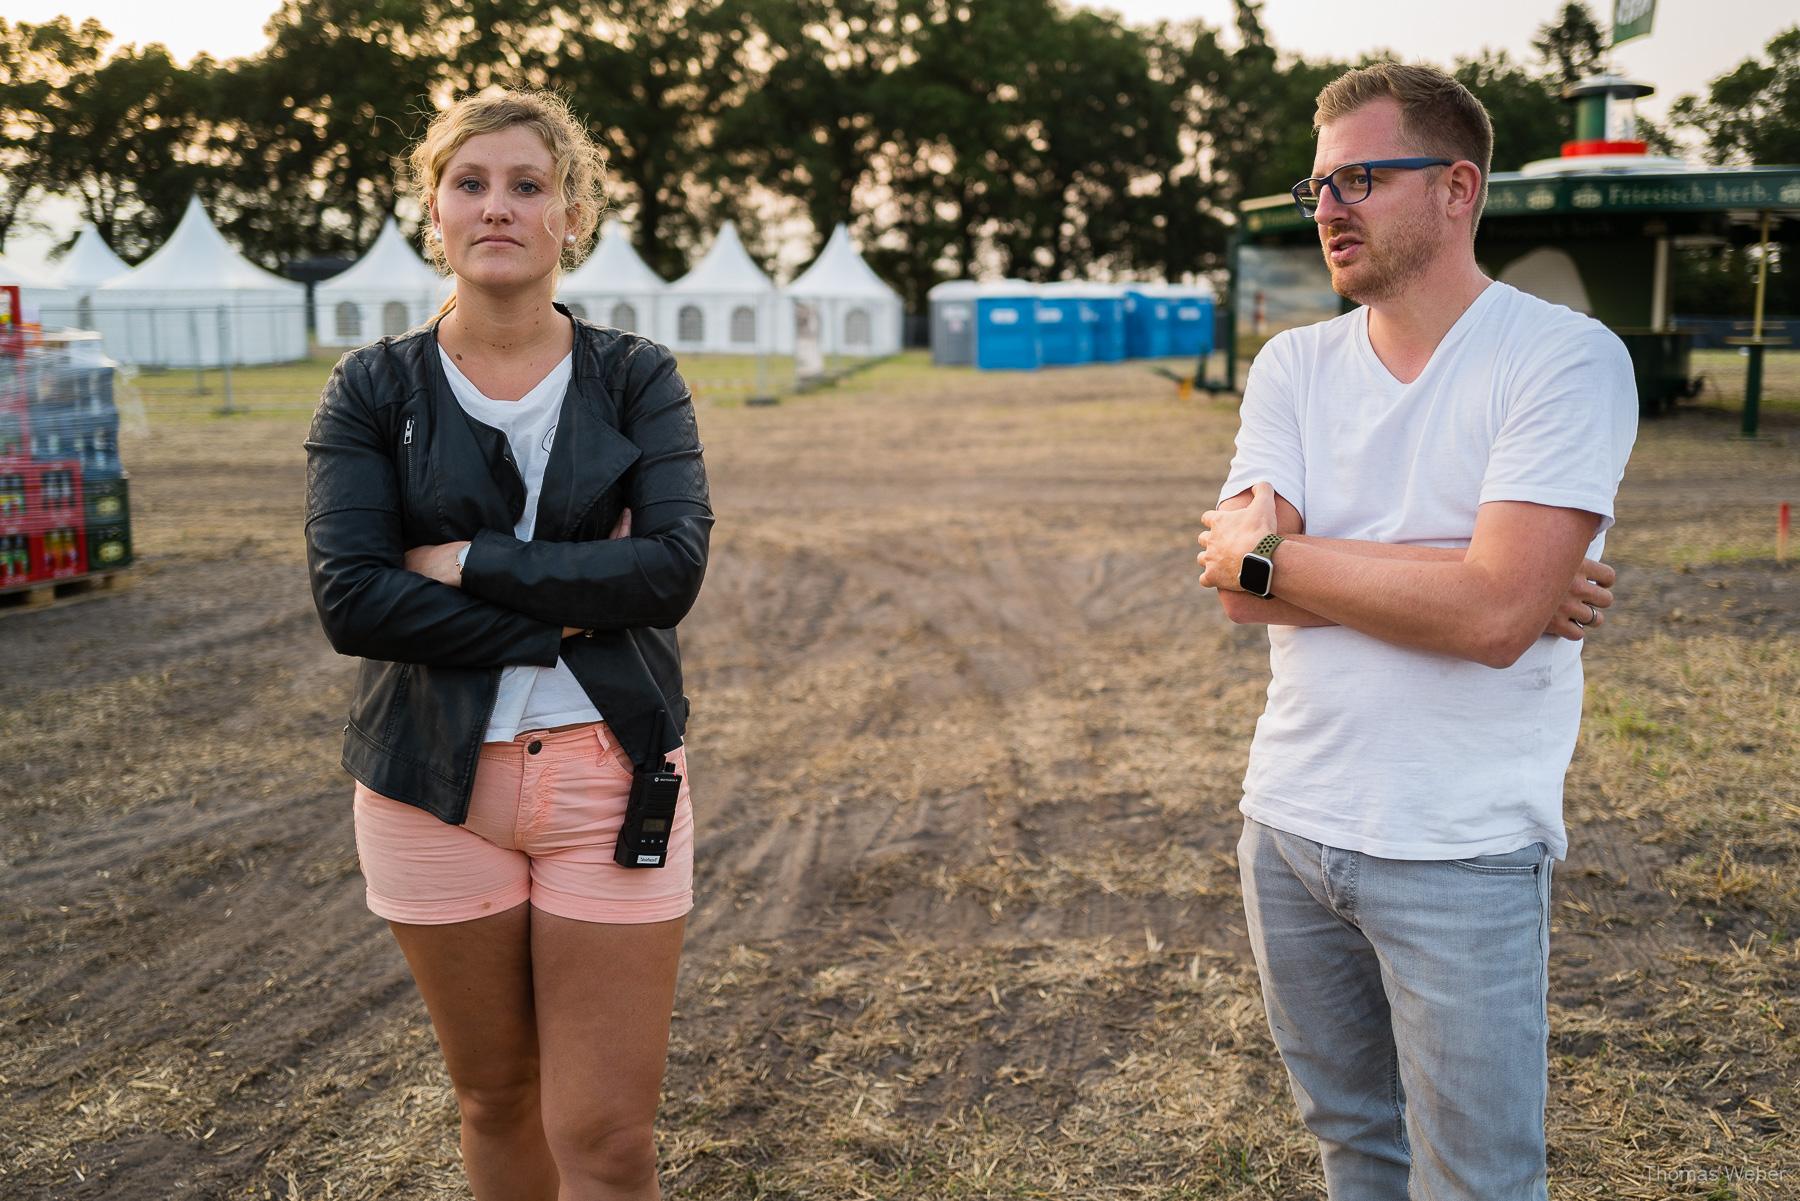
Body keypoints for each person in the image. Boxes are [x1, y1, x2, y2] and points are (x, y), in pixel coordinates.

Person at [1196, 64, 1637, 1199]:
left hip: (1462, 849)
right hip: (1288, 825)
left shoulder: (1563, 356)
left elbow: (1493, 621)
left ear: (1455, 187)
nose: (1329, 206)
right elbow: (1236, 583)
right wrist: (1472, 567)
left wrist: (1495, 586)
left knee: (1477, 1180)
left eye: (1359, 177)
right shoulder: (1293, 363)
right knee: (1355, 1149)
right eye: (1318, 185)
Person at [304, 89, 711, 1201]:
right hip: (427, 785)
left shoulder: (637, 379)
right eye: (471, 183)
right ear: (433, 210)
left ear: (570, 214)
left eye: (528, 185)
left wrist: (470, 562)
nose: (499, 207)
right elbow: (354, 602)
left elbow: (671, 572)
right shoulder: (372, 389)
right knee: (494, 1100)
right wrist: (583, 600)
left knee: (609, 1137)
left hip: (610, 775)